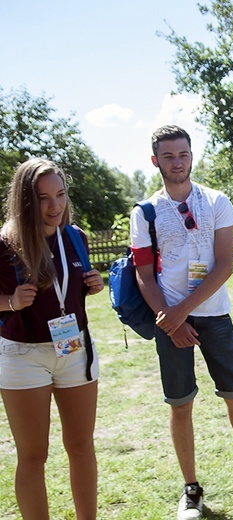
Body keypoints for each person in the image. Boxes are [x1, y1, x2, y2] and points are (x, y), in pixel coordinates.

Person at [130, 125, 233, 520]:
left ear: (193, 156)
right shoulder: (145, 212)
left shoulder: (216, 201)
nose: (177, 162)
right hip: (168, 320)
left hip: (214, 316)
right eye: (169, 156)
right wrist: (171, 321)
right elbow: (143, 274)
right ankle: (191, 488)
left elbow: (224, 266)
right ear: (155, 160)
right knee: (181, 405)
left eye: (183, 154)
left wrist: (181, 312)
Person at [0, 158, 104, 520]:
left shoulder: (75, 237)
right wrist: (10, 302)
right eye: (43, 198)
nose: (55, 206)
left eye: (60, 195)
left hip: (73, 348)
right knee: (33, 455)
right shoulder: (4, 244)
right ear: (25, 201)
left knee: (80, 445)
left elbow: (67, 292)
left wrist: (92, 285)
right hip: (23, 355)